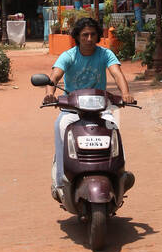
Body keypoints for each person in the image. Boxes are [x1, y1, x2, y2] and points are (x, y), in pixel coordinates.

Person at [48, 15, 135, 201]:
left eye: (93, 35)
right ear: (77, 37)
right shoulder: (68, 56)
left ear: (97, 36)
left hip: (100, 108)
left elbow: (117, 73)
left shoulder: (105, 54)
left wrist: (125, 93)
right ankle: (61, 183)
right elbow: (54, 76)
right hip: (73, 108)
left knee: (113, 129)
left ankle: (120, 175)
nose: (89, 39)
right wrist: (49, 93)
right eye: (85, 35)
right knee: (61, 127)